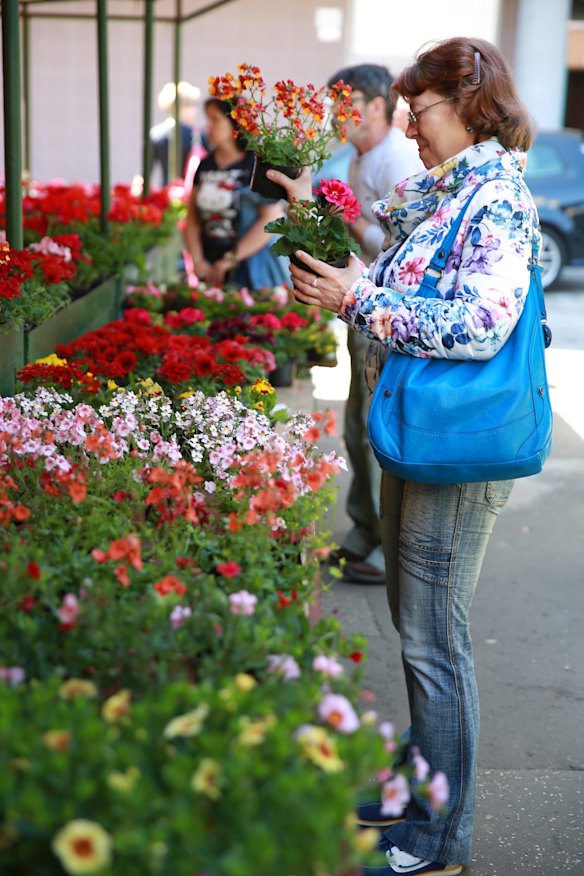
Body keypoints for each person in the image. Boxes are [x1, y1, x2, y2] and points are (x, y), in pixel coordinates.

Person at [267, 37, 540, 876]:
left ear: (470, 105)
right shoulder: (454, 193)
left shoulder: (493, 197)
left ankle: (437, 839)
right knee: (418, 633)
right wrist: (347, 267)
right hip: (420, 434)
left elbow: (480, 324)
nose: (411, 131)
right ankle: (414, 795)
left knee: (435, 644)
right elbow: (407, 288)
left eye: (420, 114)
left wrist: (362, 298)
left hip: (452, 444)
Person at [324, 64, 423, 585]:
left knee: (375, 432)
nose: (338, 114)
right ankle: (365, 529)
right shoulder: (362, 155)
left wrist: (347, 220)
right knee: (355, 427)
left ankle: (392, 549)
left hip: (388, 315)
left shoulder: (398, 159)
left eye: (347, 103)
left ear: (379, 106)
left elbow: (402, 251)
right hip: (360, 307)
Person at [184, 98, 288, 290]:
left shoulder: (255, 164)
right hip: (210, 268)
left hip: (252, 270)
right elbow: (192, 219)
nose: (208, 126)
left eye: (215, 119)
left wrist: (231, 258)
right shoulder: (205, 165)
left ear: (235, 124)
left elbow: (272, 218)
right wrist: (197, 260)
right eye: (208, 119)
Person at [150, 81, 206, 187]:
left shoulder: (155, 134)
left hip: (165, 192)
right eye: (192, 105)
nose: (196, 110)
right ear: (182, 106)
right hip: (189, 194)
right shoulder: (197, 135)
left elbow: (146, 172)